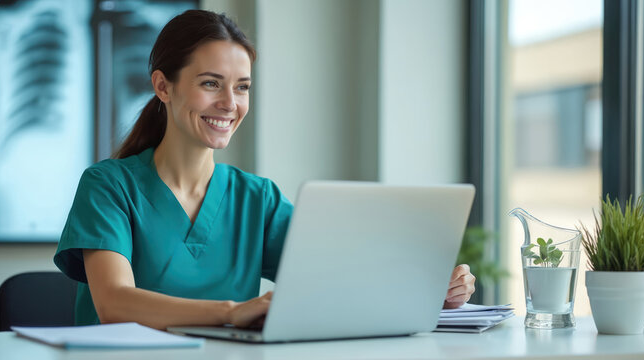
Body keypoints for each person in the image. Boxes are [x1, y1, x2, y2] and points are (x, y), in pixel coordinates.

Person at [54, 9, 475, 331]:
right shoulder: (108, 186)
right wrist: (233, 312)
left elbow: (341, 278)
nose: (230, 103)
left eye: (242, 87)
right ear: (163, 86)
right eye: (210, 83)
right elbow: (115, 303)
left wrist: (427, 288)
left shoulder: (259, 199)